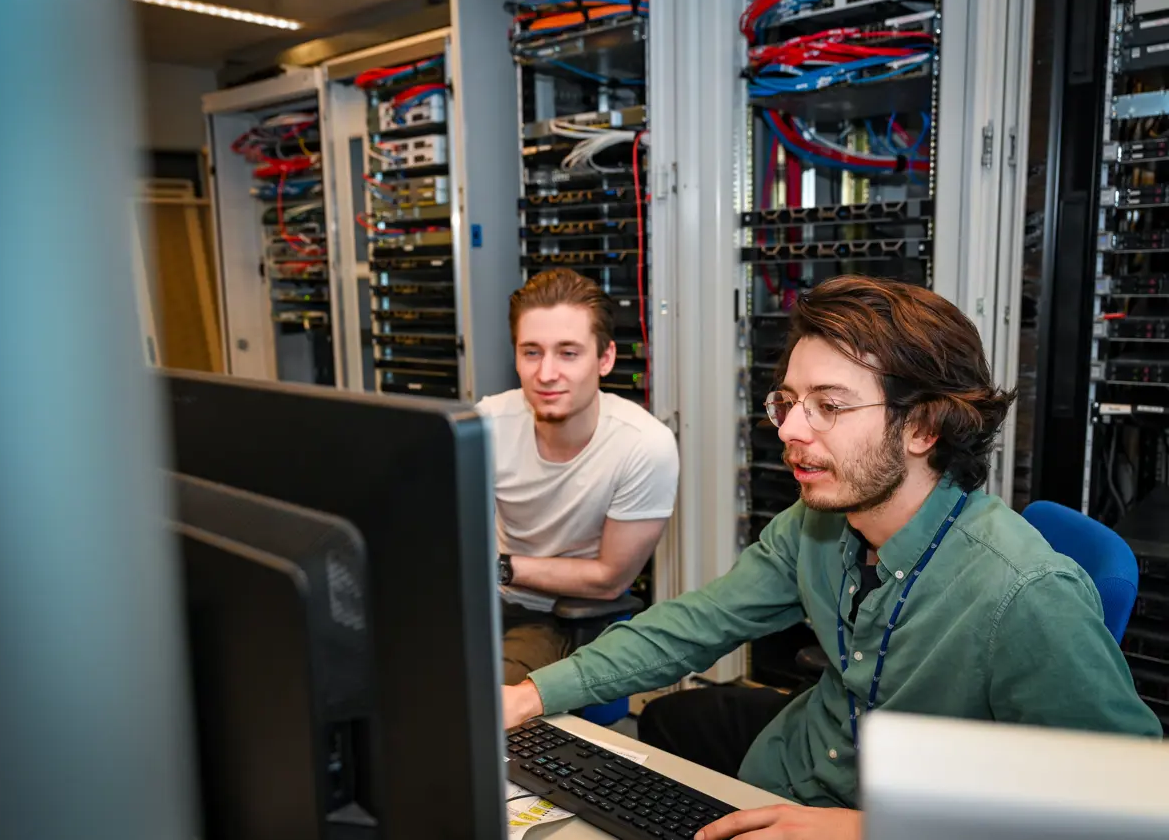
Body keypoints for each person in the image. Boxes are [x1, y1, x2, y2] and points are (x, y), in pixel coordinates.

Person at [501, 275, 1162, 840]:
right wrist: (535, 692)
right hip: (788, 771)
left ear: (925, 426)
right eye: (788, 402)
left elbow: (1129, 802)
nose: (789, 429)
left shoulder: (1023, 593)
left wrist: (868, 825)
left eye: (829, 406)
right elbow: (697, 623)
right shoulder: (817, 524)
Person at [478, 268, 679, 687]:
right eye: (531, 352)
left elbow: (609, 579)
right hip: (478, 602)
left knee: (481, 706)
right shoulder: (486, 423)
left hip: (553, 616)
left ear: (605, 359)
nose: (546, 373)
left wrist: (499, 567)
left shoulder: (644, 446)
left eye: (568, 353)